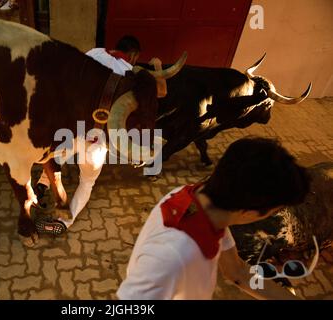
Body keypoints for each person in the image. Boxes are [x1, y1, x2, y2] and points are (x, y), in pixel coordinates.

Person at [117, 137, 311, 300]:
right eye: (273, 211)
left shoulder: (202, 204)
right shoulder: (171, 256)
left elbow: (238, 273)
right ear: (250, 212)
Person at [34, 35, 166, 235]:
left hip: (70, 126)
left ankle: (41, 187)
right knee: (87, 182)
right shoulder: (129, 73)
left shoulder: (94, 53)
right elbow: (161, 92)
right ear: (134, 56)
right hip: (96, 139)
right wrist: (157, 66)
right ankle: (63, 222)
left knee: (57, 155)